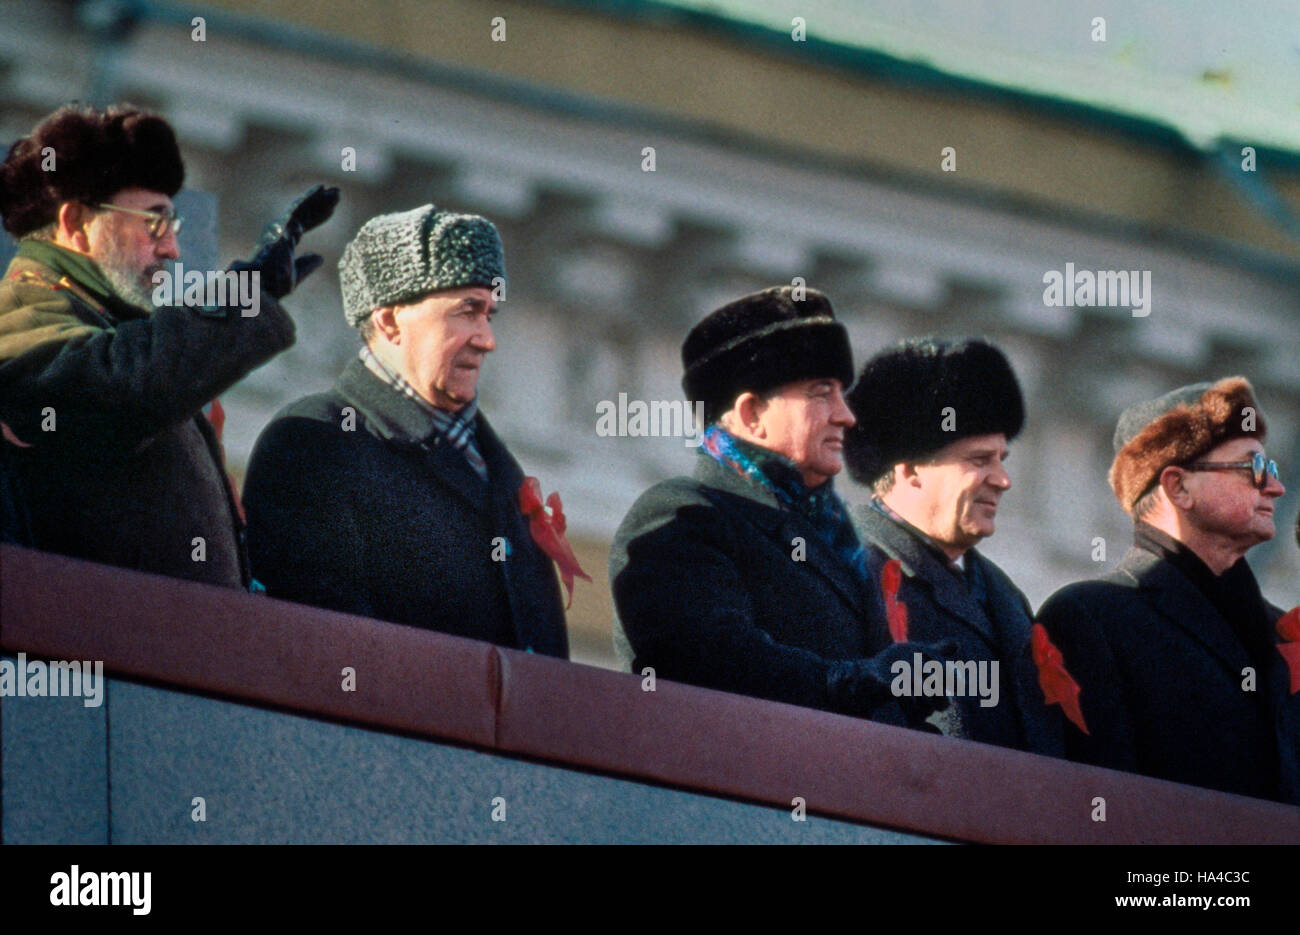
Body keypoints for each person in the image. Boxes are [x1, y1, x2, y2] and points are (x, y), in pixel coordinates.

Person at [0, 103, 335, 587]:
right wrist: (246, 295)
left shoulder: (105, 325)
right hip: (97, 651)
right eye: (153, 222)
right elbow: (124, 388)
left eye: (173, 226)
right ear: (75, 223)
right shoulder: (19, 310)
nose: (171, 249)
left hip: (160, 648)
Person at [610, 286, 949, 727]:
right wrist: (850, 682)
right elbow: (715, 660)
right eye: (821, 392)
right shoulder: (684, 515)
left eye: (842, 393)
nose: (846, 415)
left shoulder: (838, 543)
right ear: (751, 414)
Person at [243, 204, 570, 657]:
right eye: (467, 311)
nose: (486, 339)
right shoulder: (314, 445)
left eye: (489, 315)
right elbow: (325, 661)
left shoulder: (503, 479)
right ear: (390, 320)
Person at [1037, 377, 1299, 803]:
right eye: (1253, 468)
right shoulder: (1091, 617)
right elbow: (1095, 809)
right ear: (1178, 487)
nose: (1275, 487)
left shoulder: (1281, 633)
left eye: (1272, 469)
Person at [843, 338, 1066, 755]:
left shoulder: (1004, 595)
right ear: (909, 470)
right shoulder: (844, 570)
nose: (1002, 479)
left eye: (1002, 459)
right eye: (979, 460)